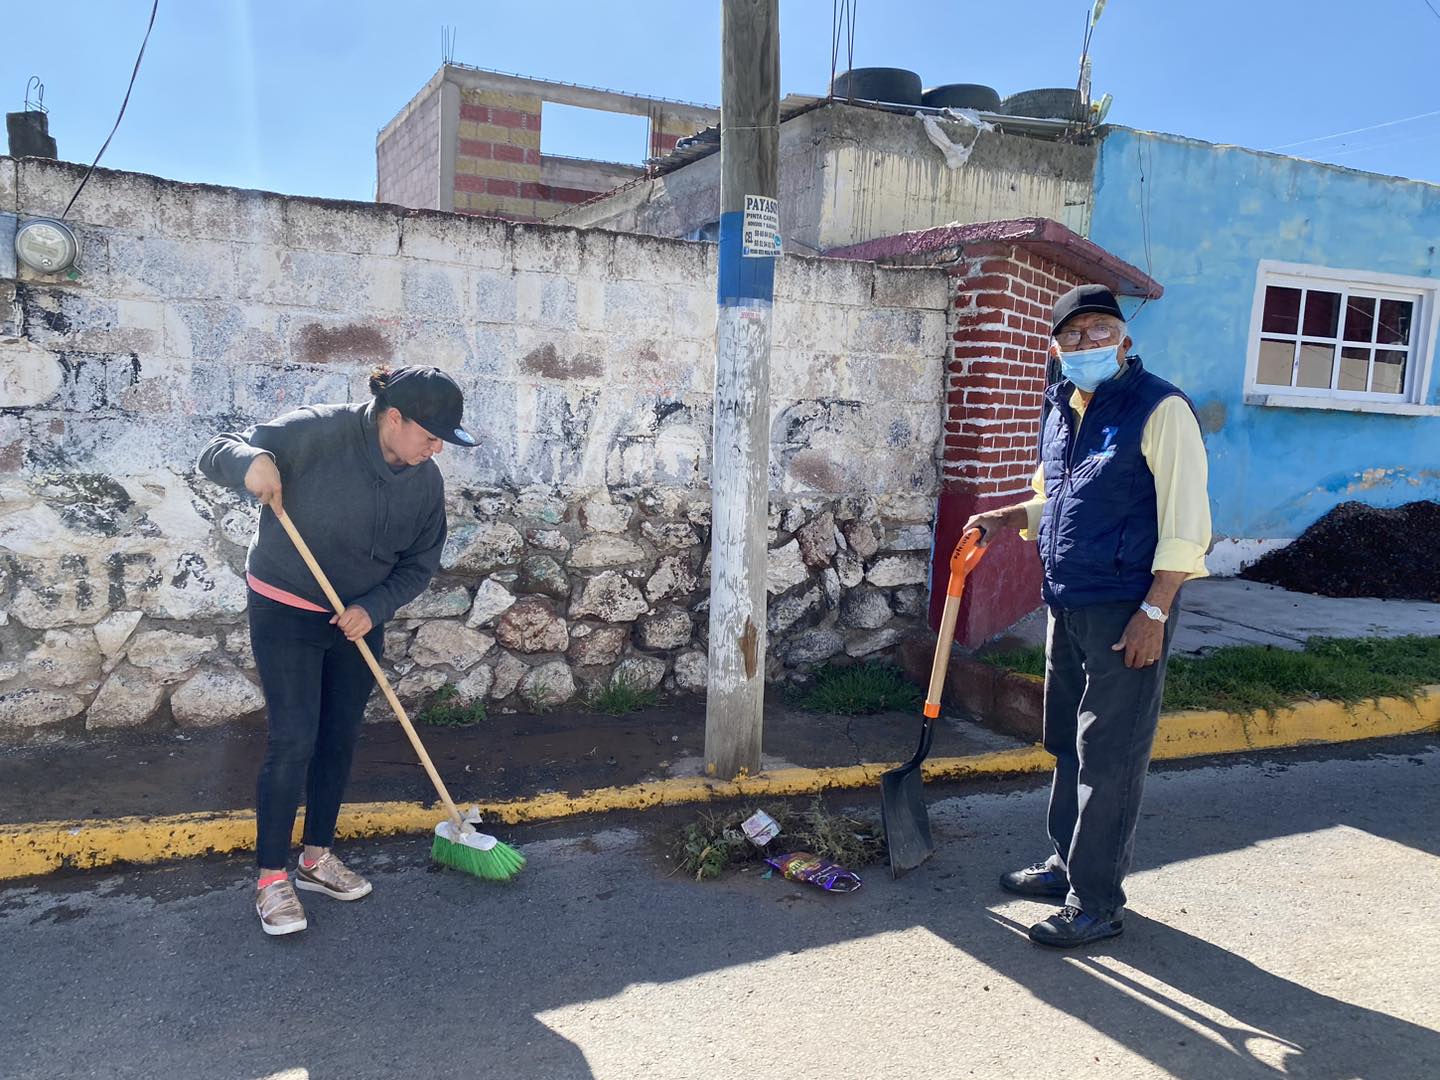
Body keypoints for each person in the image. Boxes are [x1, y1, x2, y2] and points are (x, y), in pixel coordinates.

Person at [965, 284, 1211, 948]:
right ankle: (1066, 865)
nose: (1084, 345)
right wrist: (1008, 516)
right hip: (1068, 602)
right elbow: (1060, 501)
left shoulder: (1159, 409)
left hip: (1127, 607)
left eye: (1098, 330)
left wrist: (1155, 611)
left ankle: (1097, 901)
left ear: (1124, 340)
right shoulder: (1063, 409)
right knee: (1066, 745)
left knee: (1109, 756)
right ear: (1055, 348)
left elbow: (1189, 525)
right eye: (1071, 336)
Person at [199, 366, 475, 937]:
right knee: (294, 737)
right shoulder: (314, 432)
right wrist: (249, 464)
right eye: (430, 435)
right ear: (393, 418)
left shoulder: (425, 482)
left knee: (339, 735)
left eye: (444, 440)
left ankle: (316, 856)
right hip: (285, 606)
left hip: (355, 619)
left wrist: (374, 606)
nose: (436, 449)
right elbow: (216, 451)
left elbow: (419, 564)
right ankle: (272, 878)